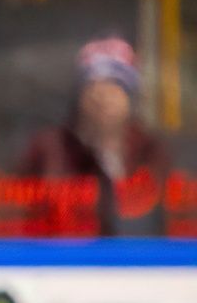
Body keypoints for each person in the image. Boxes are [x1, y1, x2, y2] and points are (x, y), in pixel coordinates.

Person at [17, 38, 170, 237]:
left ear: (130, 99)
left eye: (114, 87)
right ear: (79, 97)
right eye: (93, 88)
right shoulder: (50, 148)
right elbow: (18, 216)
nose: (103, 98)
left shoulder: (151, 151)